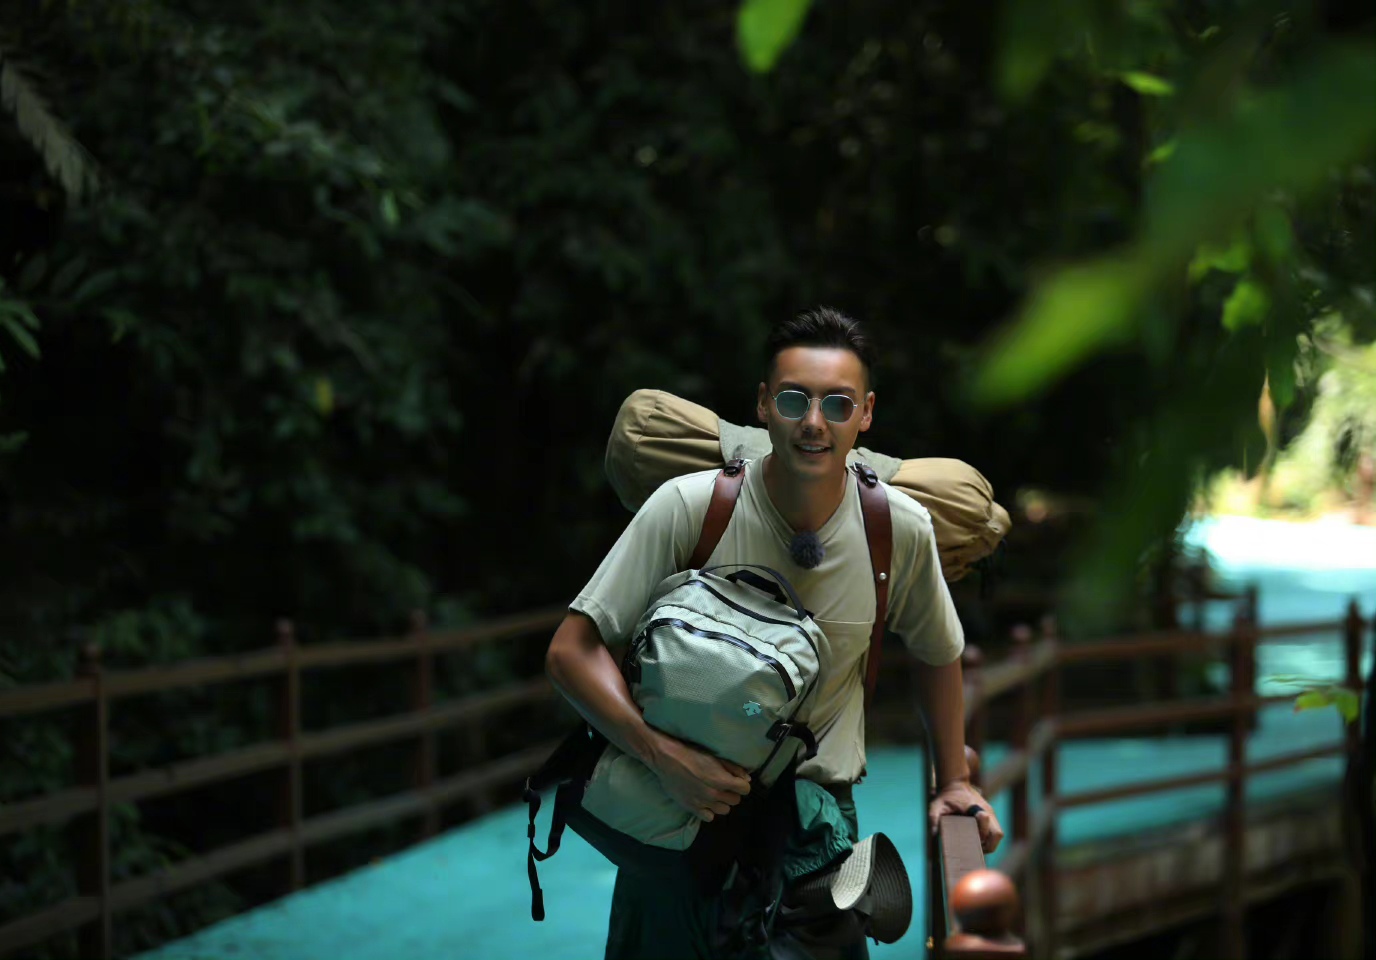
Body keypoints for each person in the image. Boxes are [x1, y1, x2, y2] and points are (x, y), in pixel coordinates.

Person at [544, 308, 1004, 959]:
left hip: (812, 837)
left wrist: (954, 779)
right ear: (764, 405)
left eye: (838, 404)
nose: (814, 422)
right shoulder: (690, 506)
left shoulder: (895, 529)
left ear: (865, 415)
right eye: (794, 399)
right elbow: (572, 650)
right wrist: (662, 756)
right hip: (676, 817)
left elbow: (937, 652)